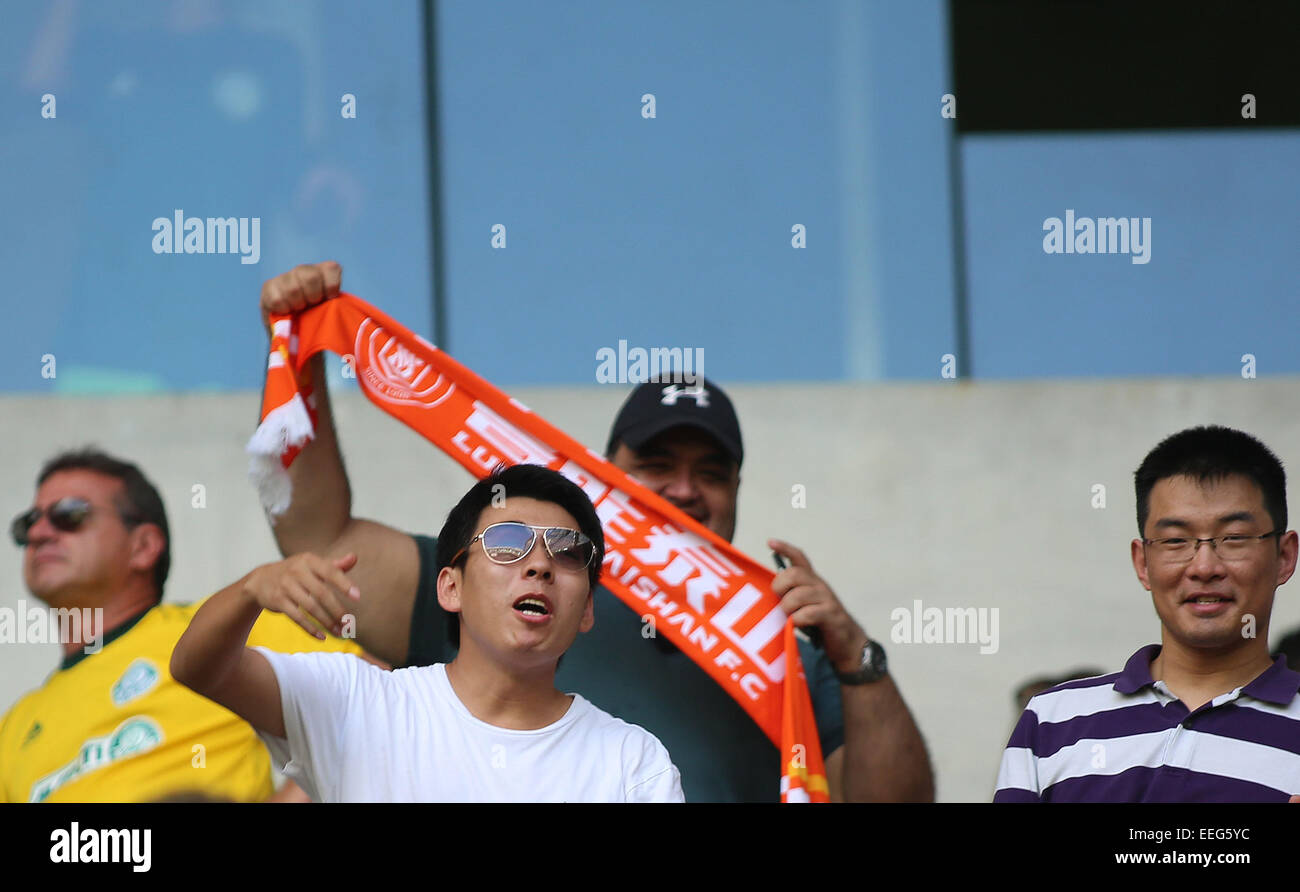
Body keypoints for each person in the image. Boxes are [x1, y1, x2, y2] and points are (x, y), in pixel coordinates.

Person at [256, 261, 935, 802]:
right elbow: (320, 537)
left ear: (736, 493)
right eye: (656, 465)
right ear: (608, 477)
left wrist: (857, 660)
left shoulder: (786, 643)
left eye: (711, 472)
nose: (684, 489)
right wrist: (303, 355)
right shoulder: (512, 578)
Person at [172, 465, 684, 802]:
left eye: (568, 551)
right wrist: (248, 592)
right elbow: (197, 668)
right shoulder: (360, 704)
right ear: (450, 587)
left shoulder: (633, 763)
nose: (540, 567)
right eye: (508, 543)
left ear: (588, 608)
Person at [0, 448, 363, 803]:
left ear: (143, 546)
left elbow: (368, 692)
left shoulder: (223, 631)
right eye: (28, 523)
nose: (39, 533)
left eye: (68, 515)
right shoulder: (13, 727)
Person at [995, 425, 1300, 802]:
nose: (1204, 567)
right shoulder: (1053, 720)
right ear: (1143, 563)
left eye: (1234, 538)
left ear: (1284, 557)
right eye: (1175, 540)